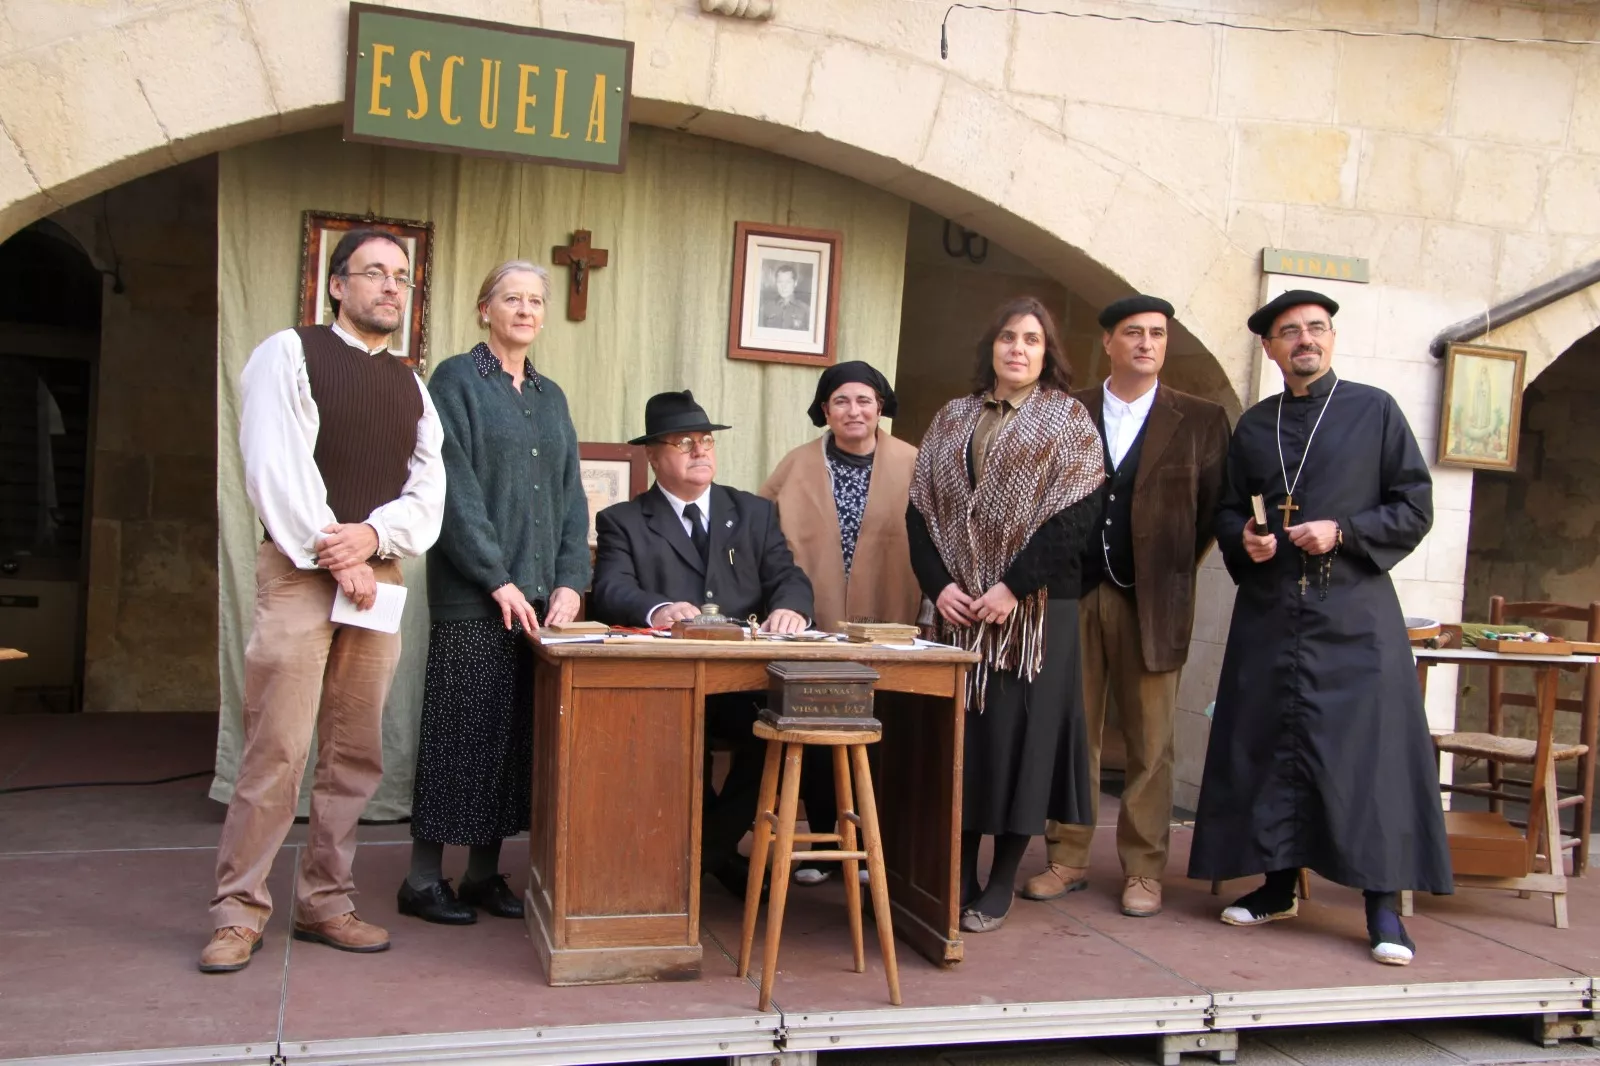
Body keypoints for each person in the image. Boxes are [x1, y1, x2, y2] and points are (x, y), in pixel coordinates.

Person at [201, 229, 445, 973]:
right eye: (374, 273)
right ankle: (238, 912)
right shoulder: (290, 353)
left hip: (376, 572)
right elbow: (276, 466)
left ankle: (325, 902)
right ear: (336, 285)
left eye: (401, 277)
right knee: (278, 746)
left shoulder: (413, 385)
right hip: (302, 572)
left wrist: (371, 539)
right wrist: (336, 553)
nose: (390, 288)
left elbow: (427, 494)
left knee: (354, 752)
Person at [1188, 288, 1451, 967]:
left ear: (1330, 339)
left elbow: (1414, 506)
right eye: (1289, 332)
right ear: (1272, 349)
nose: (1304, 339)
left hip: (1354, 618)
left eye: (1316, 329)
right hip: (1273, 615)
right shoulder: (1254, 426)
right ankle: (1277, 886)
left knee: (1367, 762)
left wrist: (1345, 530)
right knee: (1269, 747)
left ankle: (1383, 908)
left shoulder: (1374, 411)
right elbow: (1225, 513)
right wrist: (1248, 538)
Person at [1021, 295, 1231, 919]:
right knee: (1072, 731)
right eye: (1133, 333)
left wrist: (1166, 572)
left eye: (1158, 334)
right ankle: (1068, 857)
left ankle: (1144, 870)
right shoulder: (1064, 410)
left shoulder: (1201, 418)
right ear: (1108, 341)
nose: (1146, 343)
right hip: (1073, 593)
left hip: (1154, 601)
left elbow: (1210, 514)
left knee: (1152, 740)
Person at [398, 260, 590, 926]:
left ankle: (482, 875)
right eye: (512, 298)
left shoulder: (550, 396)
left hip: (538, 603)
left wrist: (570, 580)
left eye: (536, 301)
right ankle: (423, 879)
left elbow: (571, 498)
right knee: (460, 736)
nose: (526, 310)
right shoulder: (456, 379)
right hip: (475, 599)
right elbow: (451, 489)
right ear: (485, 309)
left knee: (510, 743)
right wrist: (496, 578)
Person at [907, 295, 1105, 933]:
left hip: (1035, 617)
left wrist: (1012, 587)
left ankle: (999, 881)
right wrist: (939, 586)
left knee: (1023, 745)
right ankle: (960, 870)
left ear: (1048, 353)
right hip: (958, 611)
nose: (1018, 349)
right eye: (1008, 337)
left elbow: (1075, 518)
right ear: (990, 346)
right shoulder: (952, 416)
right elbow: (920, 512)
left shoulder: (1067, 420)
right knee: (968, 741)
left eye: (1032, 340)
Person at [589, 390, 813, 896]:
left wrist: (791, 607)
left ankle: (700, 858)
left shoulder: (753, 512)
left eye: (706, 441)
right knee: (668, 738)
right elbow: (611, 589)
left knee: (779, 730)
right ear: (653, 456)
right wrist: (657, 609)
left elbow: (789, 577)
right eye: (684, 442)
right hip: (667, 684)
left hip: (743, 683)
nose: (700, 452)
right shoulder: (623, 520)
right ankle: (714, 859)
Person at [759, 360, 921, 885]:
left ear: (881, 406)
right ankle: (822, 837)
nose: (854, 410)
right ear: (824, 409)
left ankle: (873, 847)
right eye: (842, 401)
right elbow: (763, 538)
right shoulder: (796, 464)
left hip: (890, 620)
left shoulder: (914, 463)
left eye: (865, 400)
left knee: (881, 733)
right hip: (816, 622)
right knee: (818, 727)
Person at [760, 263, 810, 331]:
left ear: (795, 283)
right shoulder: (766, 308)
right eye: (780, 282)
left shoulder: (805, 310)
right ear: (776, 283)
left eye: (788, 282)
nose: (784, 287)